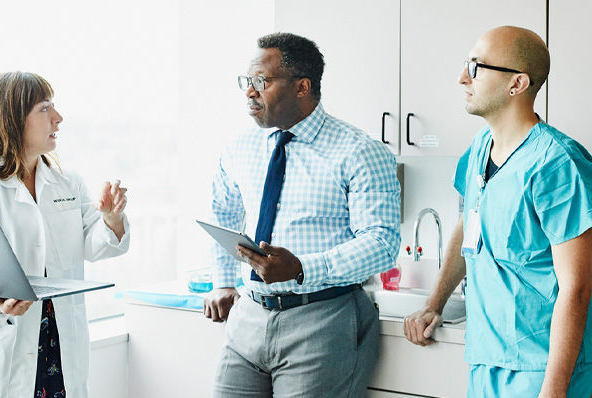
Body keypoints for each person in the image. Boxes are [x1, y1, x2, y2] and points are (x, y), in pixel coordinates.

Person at [203, 33, 401, 397]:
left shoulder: (360, 151)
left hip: (323, 319)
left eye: (262, 82)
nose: (250, 92)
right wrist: (223, 281)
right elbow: (223, 212)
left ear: (302, 87)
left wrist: (301, 269)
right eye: (247, 81)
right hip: (249, 315)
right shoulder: (240, 147)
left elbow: (382, 243)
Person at [403, 26, 592, 397]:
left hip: (540, 370)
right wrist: (433, 304)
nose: (462, 78)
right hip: (486, 363)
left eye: (476, 67)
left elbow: (578, 288)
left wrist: (553, 390)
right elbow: (467, 228)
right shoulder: (480, 148)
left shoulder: (558, 164)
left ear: (517, 83)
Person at [0, 71, 130, 397]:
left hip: (56, 342)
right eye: (45, 109)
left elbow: (96, 245)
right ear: (11, 119)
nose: (59, 118)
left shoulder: (67, 182)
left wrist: (111, 217)